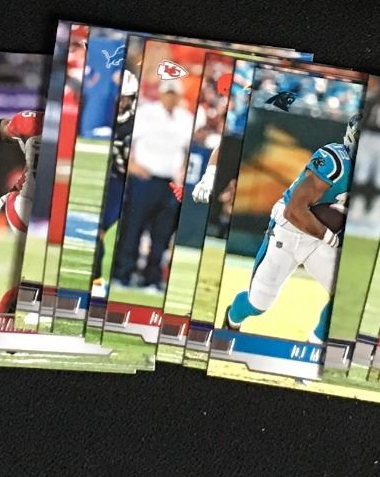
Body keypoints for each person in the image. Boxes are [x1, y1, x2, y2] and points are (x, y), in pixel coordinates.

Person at [223, 121, 357, 344]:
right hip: (289, 230)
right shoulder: (336, 160)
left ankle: (312, 349)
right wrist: (332, 238)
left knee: (347, 296)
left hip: (318, 239)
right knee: (257, 304)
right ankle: (231, 320)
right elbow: (294, 210)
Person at [116, 76, 194, 288]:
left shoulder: (186, 118)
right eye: (168, 93)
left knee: (162, 233)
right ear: (161, 94)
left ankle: (152, 279)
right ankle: (123, 274)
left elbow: (187, 150)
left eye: (174, 94)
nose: (170, 98)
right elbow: (124, 140)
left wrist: (182, 170)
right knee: (133, 228)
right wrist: (131, 165)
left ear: (179, 96)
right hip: (144, 179)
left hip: (170, 182)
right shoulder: (146, 113)